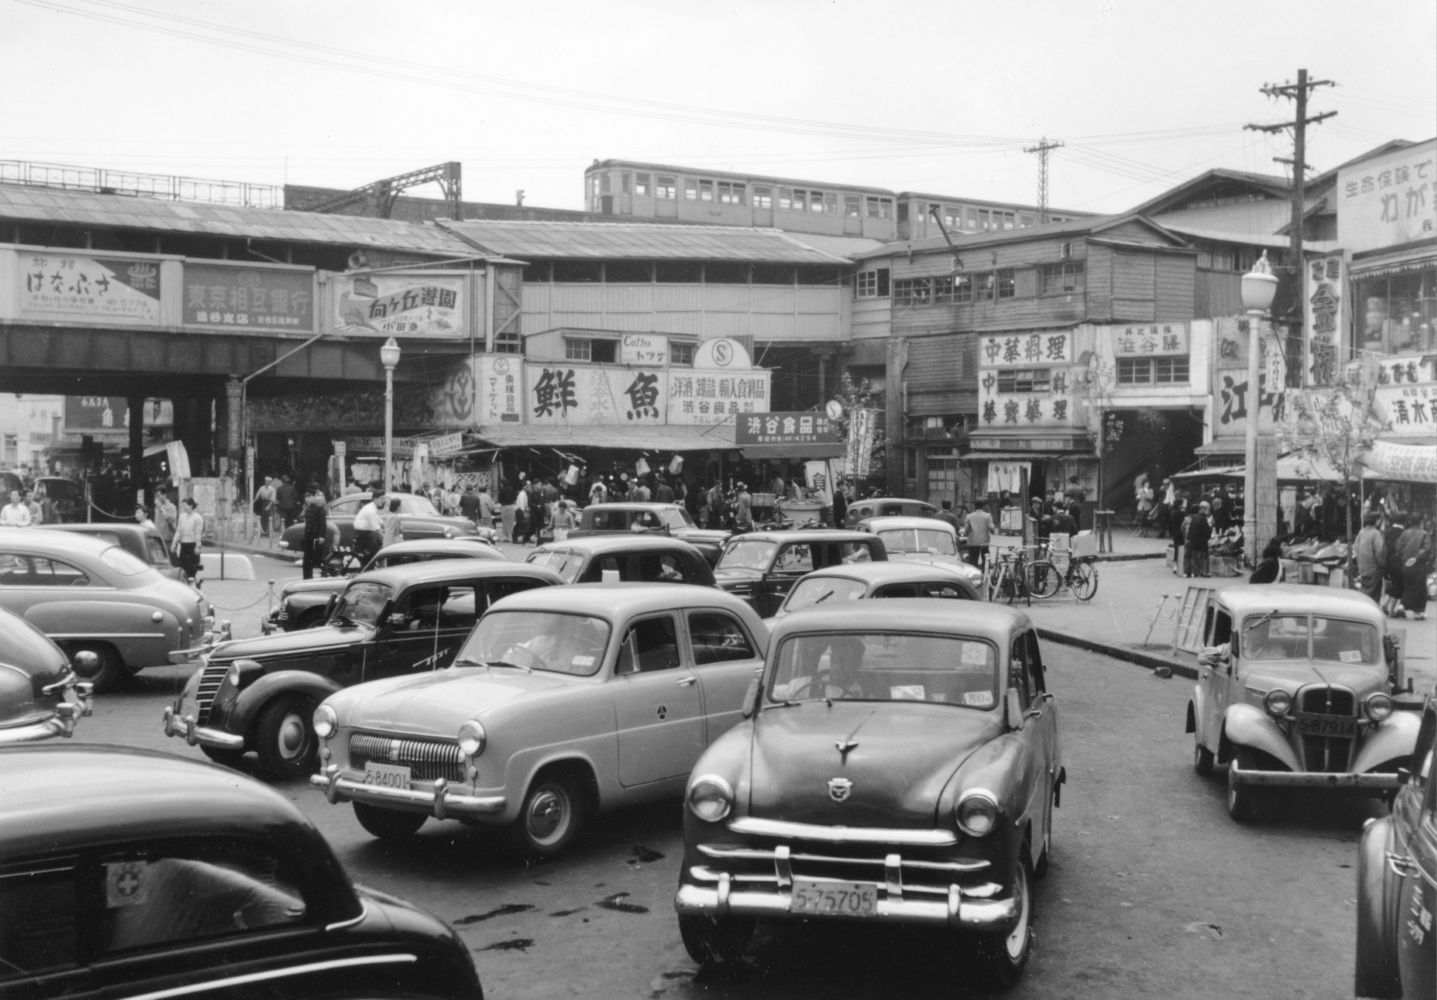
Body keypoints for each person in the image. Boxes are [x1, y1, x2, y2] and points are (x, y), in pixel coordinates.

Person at [1393, 516, 1432, 620]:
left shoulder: (1405, 533)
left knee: (1408, 587)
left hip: (1405, 564)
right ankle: (1418, 612)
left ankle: (1401, 606)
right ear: (1420, 522)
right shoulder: (1424, 534)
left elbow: (1398, 547)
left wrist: (1403, 560)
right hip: (1418, 565)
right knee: (1420, 589)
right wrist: (1416, 558)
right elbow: (1427, 549)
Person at [1353, 511, 1387, 604]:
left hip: (1363, 568)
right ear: (1376, 521)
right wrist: (1383, 566)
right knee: (1372, 596)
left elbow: (1355, 549)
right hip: (1374, 569)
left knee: (1366, 593)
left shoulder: (1361, 531)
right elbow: (1379, 552)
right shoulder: (1376, 533)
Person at [172, 498, 205, 587]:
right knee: (183, 568)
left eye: (185, 505)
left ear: (191, 505)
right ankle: (196, 581)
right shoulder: (182, 516)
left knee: (191, 570)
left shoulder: (197, 518)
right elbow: (178, 531)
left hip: (192, 545)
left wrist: (197, 546)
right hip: (183, 545)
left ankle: (193, 585)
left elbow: (198, 533)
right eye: (182, 506)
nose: (183, 508)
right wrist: (174, 543)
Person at [301, 487, 329, 581]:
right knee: (306, 560)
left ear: (313, 497)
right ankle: (306, 577)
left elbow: (322, 524)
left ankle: (313, 577)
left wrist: (321, 536)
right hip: (309, 537)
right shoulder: (308, 508)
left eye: (309, 497)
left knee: (315, 559)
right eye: (306, 497)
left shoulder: (319, 509)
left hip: (316, 537)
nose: (307, 499)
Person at [352, 490, 384, 565]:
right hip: (363, 536)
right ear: (375, 499)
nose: (383, 501)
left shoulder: (372, 507)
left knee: (374, 553)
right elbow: (376, 528)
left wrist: (386, 528)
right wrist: (385, 538)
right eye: (382, 498)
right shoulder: (370, 510)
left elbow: (380, 521)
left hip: (366, 534)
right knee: (373, 556)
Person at [964, 499, 995, 570]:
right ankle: (984, 576)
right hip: (984, 543)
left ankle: (974, 576)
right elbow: (991, 528)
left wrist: (966, 533)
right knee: (985, 561)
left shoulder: (969, 516)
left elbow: (966, 530)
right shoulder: (987, 515)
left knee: (973, 562)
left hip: (973, 543)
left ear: (975, 506)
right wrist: (993, 531)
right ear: (983, 507)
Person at [1184, 501, 1212, 578]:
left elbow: (1184, 528)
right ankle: (1204, 572)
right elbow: (1206, 530)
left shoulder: (1192, 517)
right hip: (1200, 541)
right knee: (1203, 556)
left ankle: (1190, 572)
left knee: (1190, 556)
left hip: (1190, 539)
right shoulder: (1202, 518)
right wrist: (1209, 535)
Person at [497, 477, 518, 543]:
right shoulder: (512, 489)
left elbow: (499, 499)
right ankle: (510, 536)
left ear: (502, 483)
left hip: (504, 507)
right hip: (511, 506)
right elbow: (515, 498)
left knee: (505, 522)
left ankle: (506, 536)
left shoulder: (502, 490)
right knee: (511, 522)